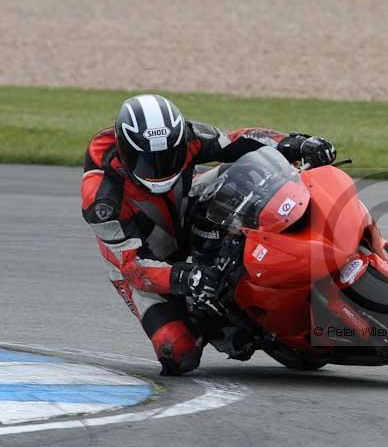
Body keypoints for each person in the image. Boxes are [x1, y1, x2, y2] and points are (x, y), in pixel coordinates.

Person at [80, 94, 336, 375]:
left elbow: (238, 140)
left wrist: (292, 143)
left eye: (168, 157)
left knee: (250, 173)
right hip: (144, 258)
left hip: (185, 202)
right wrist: (187, 277)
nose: (159, 169)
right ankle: (222, 322)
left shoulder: (186, 136)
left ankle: (292, 250)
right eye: (148, 162)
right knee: (178, 352)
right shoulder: (102, 198)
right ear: (124, 152)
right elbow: (131, 266)